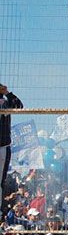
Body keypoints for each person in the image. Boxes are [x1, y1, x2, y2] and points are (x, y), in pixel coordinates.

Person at [0, 84, 23, 216]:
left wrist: (7, 93)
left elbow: (19, 106)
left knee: (1, 180)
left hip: (3, 145)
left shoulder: (5, 102)